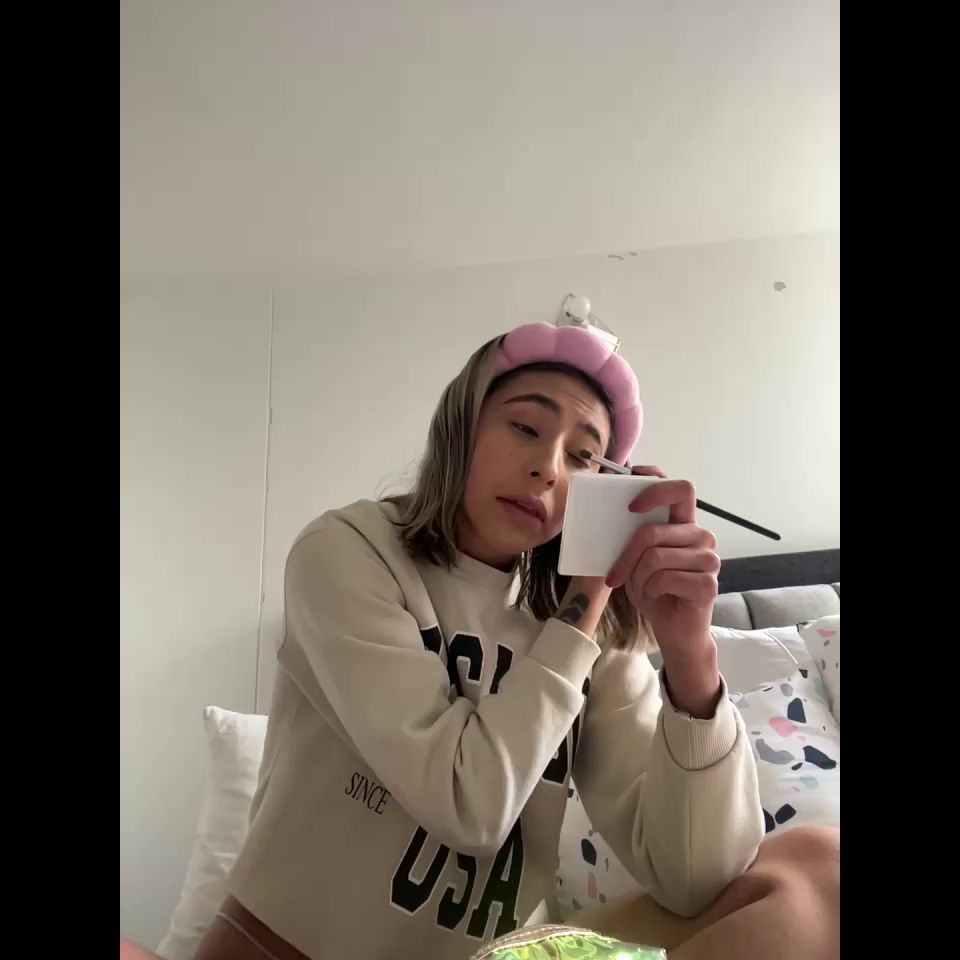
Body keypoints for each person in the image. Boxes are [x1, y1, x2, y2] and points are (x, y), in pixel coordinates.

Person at [196, 322, 839, 960]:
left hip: (499, 955)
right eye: (526, 427)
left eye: (583, 457)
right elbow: (467, 806)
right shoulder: (348, 552)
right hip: (284, 952)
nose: (548, 468)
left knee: (821, 865)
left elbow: (698, 880)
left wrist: (689, 651)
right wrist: (583, 610)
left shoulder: (589, 629)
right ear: (462, 428)